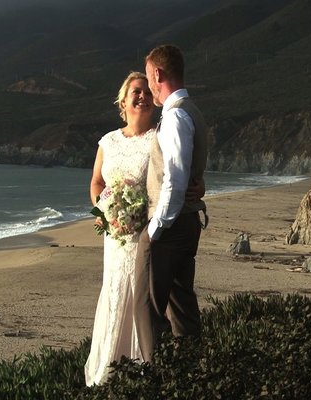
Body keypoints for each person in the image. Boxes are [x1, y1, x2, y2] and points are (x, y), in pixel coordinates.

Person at [85, 71, 204, 386]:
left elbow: (180, 171)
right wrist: (104, 208)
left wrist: (198, 186)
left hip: (148, 233)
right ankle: (109, 370)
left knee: (143, 299)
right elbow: (98, 182)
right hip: (115, 235)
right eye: (135, 92)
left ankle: (142, 370)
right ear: (122, 100)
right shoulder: (108, 141)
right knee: (115, 294)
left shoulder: (161, 136)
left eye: (146, 91)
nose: (141, 96)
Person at [133, 44, 208, 364]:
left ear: (158, 74)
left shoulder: (176, 116)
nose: (149, 88)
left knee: (146, 307)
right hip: (188, 223)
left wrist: (155, 229)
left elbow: (174, 181)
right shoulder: (193, 111)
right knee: (182, 307)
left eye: (149, 78)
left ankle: (155, 378)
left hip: (171, 227)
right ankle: (192, 372)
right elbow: (189, 171)